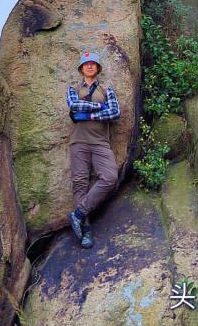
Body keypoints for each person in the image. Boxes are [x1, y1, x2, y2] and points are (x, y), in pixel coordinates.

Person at [66, 50, 120, 248]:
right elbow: (73, 105)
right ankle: (86, 230)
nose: (89, 66)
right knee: (80, 183)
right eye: (86, 64)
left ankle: (78, 214)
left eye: (93, 64)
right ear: (81, 69)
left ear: (97, 68)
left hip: (100, 143)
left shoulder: (107, 91)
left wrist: (87, 115)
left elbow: (115, 112)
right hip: (78, 142)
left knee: (109, 177)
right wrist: (99, 108)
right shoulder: (73, 90)